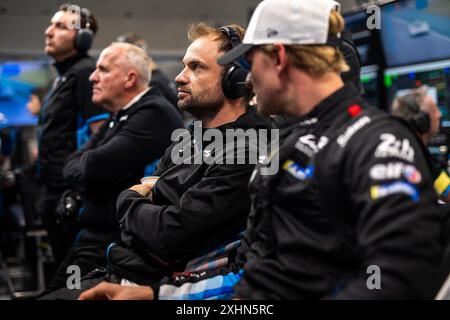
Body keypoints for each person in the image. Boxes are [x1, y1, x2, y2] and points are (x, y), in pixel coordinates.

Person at [41, 23, 270, 300]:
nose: (179, 77)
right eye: (184, 66)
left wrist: (127, 198)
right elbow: (146, 225)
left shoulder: (249, 145)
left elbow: (169, 234)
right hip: (118, 266)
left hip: (154, 284)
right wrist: (147, 204)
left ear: (236, 78)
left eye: (196, 67)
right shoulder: (189, 135)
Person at [43, 42, 184, 293]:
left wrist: (88, 177)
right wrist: (89, 176)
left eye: (103, 70)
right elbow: (74, 164)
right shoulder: (119, 115)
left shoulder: (154, 113)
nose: (92, 77)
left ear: (129, 78)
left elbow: (92, 168)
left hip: (111, 247)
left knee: (56, 295)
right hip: (90, 238)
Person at [38, 4, 109, 266]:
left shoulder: (84, 73)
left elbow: (100, 133)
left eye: (60, 26)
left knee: (71, 273)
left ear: (82, 38)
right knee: (60, 265)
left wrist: (77, 190)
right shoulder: (62, 77)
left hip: (68, 192)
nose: (48, 32)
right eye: (51, 24)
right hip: (52, 189)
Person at [391, 86, 450, 201]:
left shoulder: (420, 154)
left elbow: (446, 191)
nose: (439, 115)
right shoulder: (410, 157)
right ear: (421, 121)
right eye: (435, 110)